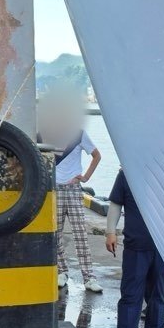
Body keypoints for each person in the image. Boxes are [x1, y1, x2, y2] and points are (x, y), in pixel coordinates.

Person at [105, 168, 164, 328]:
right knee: (131, 295)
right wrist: (110, 231)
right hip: (136, 245)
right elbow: (116, 202)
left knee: (158, 293)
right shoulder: (127, 172)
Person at [53, 125, 102, 293]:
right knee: (55, 234)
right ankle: (62, 271)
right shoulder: (45, 135)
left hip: (74, 189)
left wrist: (86, 177)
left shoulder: (79, 134)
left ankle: (89, 277)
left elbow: (96, 155)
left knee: (80, 234)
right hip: (55, 190)